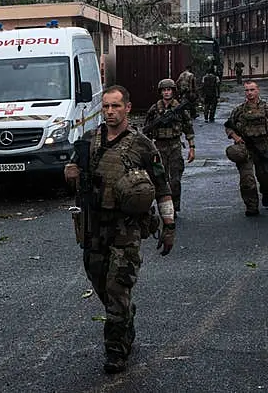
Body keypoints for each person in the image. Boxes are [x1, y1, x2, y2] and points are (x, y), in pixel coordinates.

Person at [64, 85, 175, 374]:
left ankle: (116, 350)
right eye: (106, 107)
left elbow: (162, 187)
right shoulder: (89, 141)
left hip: (126, 228)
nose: (110, 112)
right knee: (99, 281)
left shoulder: (142, 145)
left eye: (116, 106)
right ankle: (125, 314)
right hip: (94, 226)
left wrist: (169, 225)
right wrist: (70, 172)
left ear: (127, 107)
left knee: (117, 287)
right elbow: (72, 172)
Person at [225, 81, 268, 216]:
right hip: (245, 149)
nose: (249, 93)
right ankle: (251, 206)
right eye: (247, 90)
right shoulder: (238, 110)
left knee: (264, 178)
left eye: (252, 90)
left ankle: (266, 192)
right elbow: (228, 126)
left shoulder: (267, 108)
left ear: (257, 91)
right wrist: (236, 137)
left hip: (263, 148)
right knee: (247, 180)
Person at [143, 78, 196, 216]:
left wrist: (192, 148)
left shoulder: (179, 108)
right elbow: (146, 130)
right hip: (159, 147)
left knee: (175, 179)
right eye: (164, 90)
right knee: (160, 180)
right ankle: (164, 208)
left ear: (173, 91)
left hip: (175, 146)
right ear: (161, 92)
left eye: (169, 90)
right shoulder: (154, 109)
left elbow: (188, 128)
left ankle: (174, 206)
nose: (167, 93)